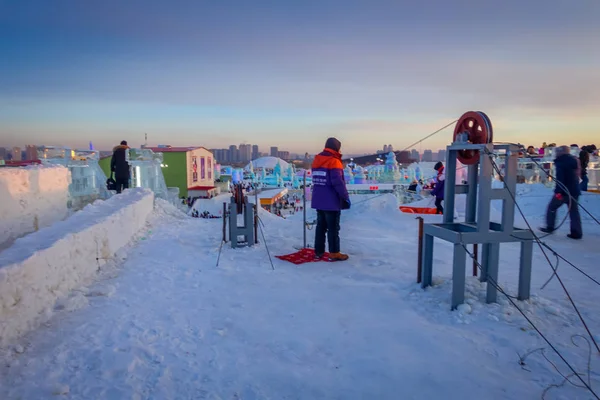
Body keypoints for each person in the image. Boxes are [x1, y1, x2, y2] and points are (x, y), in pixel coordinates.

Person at [311, 137, 351, 261]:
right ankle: (334, 253)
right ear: (336, 148)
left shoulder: (317, 159)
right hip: (331, 200)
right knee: (333, 228)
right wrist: (345, 196)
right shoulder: (334, 161)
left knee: (320, 227)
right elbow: (338, 182)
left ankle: (318, 252)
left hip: (318, 198)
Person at [540, 146, 582, 239]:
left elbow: (560, 179)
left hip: (564, 192)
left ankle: (550, 227)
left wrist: (558, 192)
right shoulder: (574, 160)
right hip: (574, 190)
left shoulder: (561, 162)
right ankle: (577, 232)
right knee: (574, 211)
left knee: (552, 207)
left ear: (560, 152)